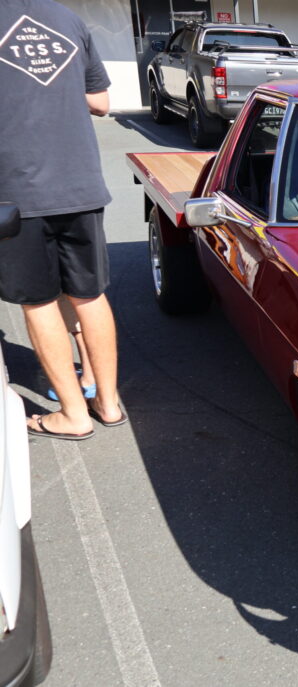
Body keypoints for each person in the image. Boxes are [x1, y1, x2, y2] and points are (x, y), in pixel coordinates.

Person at [0, 0, 124, 440]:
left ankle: (73, 415)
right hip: (80, 183)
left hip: (18, 191)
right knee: (90, 295)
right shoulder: (68, 19)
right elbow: (101, 102)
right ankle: (108, 404)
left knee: (38, 301)